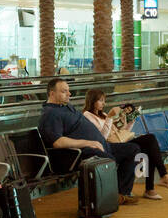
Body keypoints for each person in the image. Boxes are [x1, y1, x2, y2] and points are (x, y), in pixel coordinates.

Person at [39, 77, 141, 207]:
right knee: (108, 160)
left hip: (101, 145)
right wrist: (88, 143)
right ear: (52, 93)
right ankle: (109, 197)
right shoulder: (50, 114)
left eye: (69, 90)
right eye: (64, 91)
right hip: (79, 153)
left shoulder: (65, 106)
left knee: (133, 150)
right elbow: (58, 142)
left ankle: (121, 193)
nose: (69, 94)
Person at [83, 88, 168, 199]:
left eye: (104, 100)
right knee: (141, 147)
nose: (104, 103)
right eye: (101, 100)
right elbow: (102, 137)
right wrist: (109, 118)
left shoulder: (102, 114)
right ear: (92, 101)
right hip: (108, 146)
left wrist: (131, 120)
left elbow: (121, 132)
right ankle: (155, 184)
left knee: (150, 140)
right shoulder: (87, 115)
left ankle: (158, 180)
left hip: (120, 142)